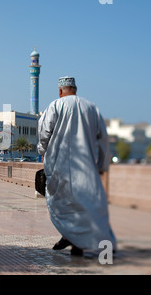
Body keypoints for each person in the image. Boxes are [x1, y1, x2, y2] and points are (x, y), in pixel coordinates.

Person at [37, 76, 117, 256]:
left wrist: (42, 150)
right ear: (75, 89)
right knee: (85, 205)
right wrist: (102, 164)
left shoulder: (55, 106)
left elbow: (44, 133)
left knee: (63, 205)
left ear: (60, 91)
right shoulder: (91, 107)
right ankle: (75, 240)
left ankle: (72, 238)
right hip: (85, 168)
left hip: (60, 165)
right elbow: (103, 139)